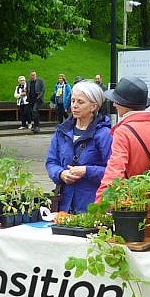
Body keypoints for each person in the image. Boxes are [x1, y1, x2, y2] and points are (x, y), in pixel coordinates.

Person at [95, 76, 150, 201]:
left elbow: (115, 172)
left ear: (124, 104)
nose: (114, 104)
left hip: (131, 204)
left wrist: (99, 207)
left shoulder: (123, 132)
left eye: (116, 101)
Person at [45, 81, 113, 213]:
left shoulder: (104, 134)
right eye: (72, 101)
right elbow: (51, 162)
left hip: (92, 206)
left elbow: (113, 172)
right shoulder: (62, 131)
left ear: (93, 106)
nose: (74, 106)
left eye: (80, 102)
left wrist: (87, 171)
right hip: (64, 206)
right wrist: (60, 173)